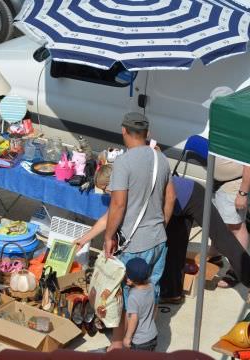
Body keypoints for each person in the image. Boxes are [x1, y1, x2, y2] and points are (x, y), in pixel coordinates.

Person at [76, 164, 250, 304]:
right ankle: (173, 294)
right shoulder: (124, 190)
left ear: (112, 183)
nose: (105, 193)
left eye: (104, 189)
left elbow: (110, 218)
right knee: (173, 249)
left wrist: (162, 224)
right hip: (174, 208)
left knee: (223, 239)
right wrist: (84, 239)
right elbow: (107, 218)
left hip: (193, 196)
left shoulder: (134, 188)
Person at [103, 113, 174, 351]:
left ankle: (118, 345)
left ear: (124, 131)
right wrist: (160, 225)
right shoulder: (161, 158)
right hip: (158, 240)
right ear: (147, 133)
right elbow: (170, 198)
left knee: (126, 298)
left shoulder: (123, 163)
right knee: (151, 292)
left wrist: (108, 236)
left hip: (135, 245)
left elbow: (118, 204)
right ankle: (146, 336)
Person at [211, 158, 250, 288]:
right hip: (220, 183)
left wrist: (243, 192)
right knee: (219, 223)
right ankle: (215, 256)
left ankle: (238, 270)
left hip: (235, 184)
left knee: (237, 228)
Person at [124, 258, 158, 351]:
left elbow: (133, 319)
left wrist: (128, 337)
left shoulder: (133, 297)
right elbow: (156, 306)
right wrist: (151, 321)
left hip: (140, 342)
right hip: (153, 335)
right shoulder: (152, 287)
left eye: (126, 275)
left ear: (130, 280)